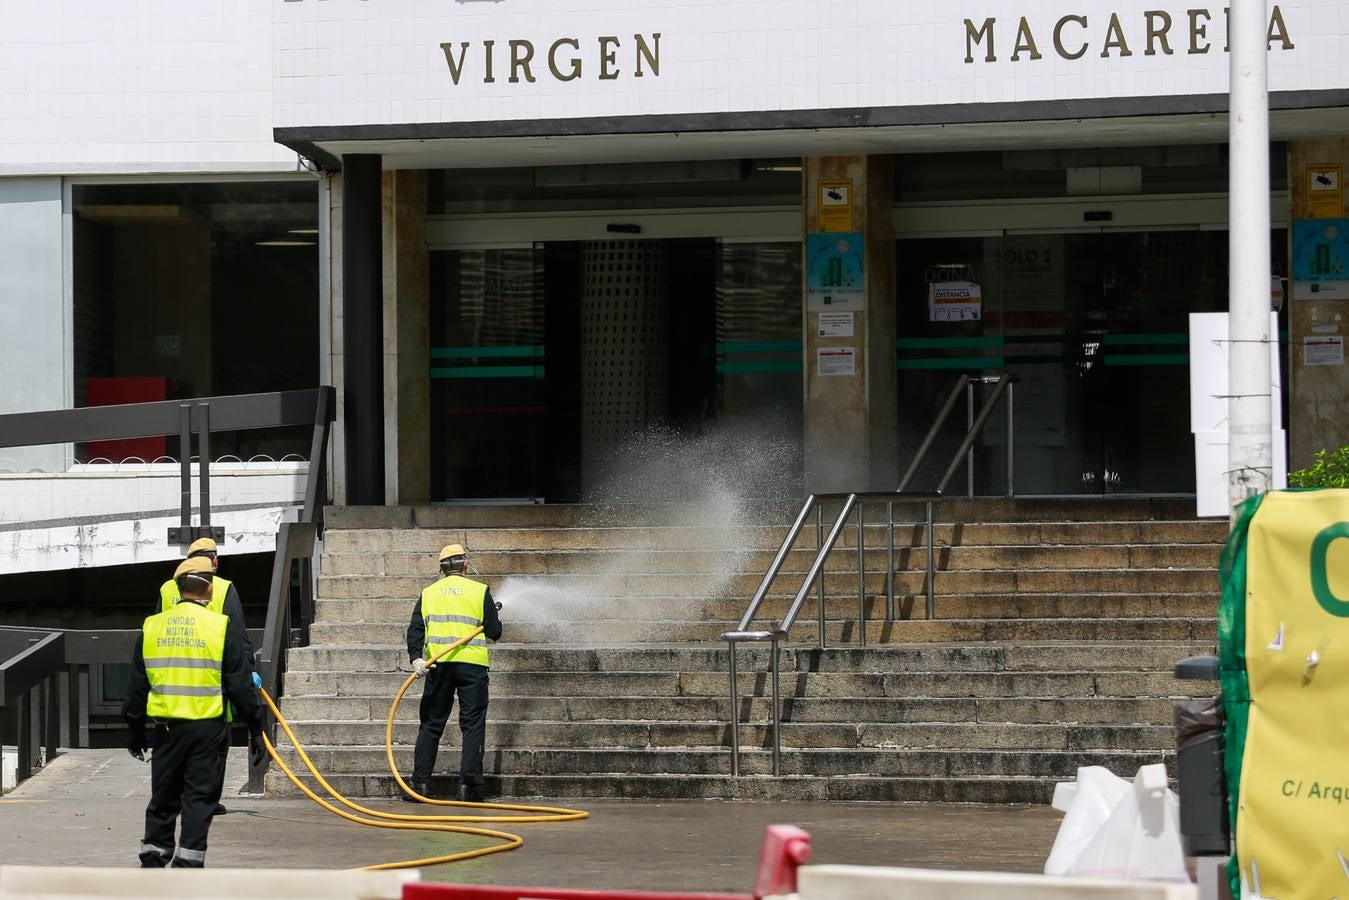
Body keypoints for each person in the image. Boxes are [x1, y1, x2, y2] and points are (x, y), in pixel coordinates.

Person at [123, 556, 264, 868]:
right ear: (210, 590)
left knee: (163, 797)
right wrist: (256, 727)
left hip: (167, 729)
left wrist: (134, 731)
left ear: (177, 589)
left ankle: (153, 857)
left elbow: (136, 687)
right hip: (207, 729)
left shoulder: (152, 626)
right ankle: (188, 865)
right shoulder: (219, 627)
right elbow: (240, 686)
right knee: (199, 800)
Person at [157, 536, 257, 817]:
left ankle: (176, 795)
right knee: (215, 747)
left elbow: (154, 628)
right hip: (214, 682)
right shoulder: (224, 588)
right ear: (214, 560)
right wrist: (248, 671)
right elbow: (238, 636)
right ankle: (207, 799)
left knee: (175, 743)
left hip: (173, 681)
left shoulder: (167, 588)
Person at [403, 543, 502, 803]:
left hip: (438, 666)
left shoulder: (429, 593)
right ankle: (468, 788)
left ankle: (421, 785)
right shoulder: (479, 590)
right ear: (465, 565)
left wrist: (416, 659)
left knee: (431, 724)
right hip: (473, 666)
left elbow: (415, 630)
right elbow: (494, 632)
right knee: (472, 725)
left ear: (441, 569)